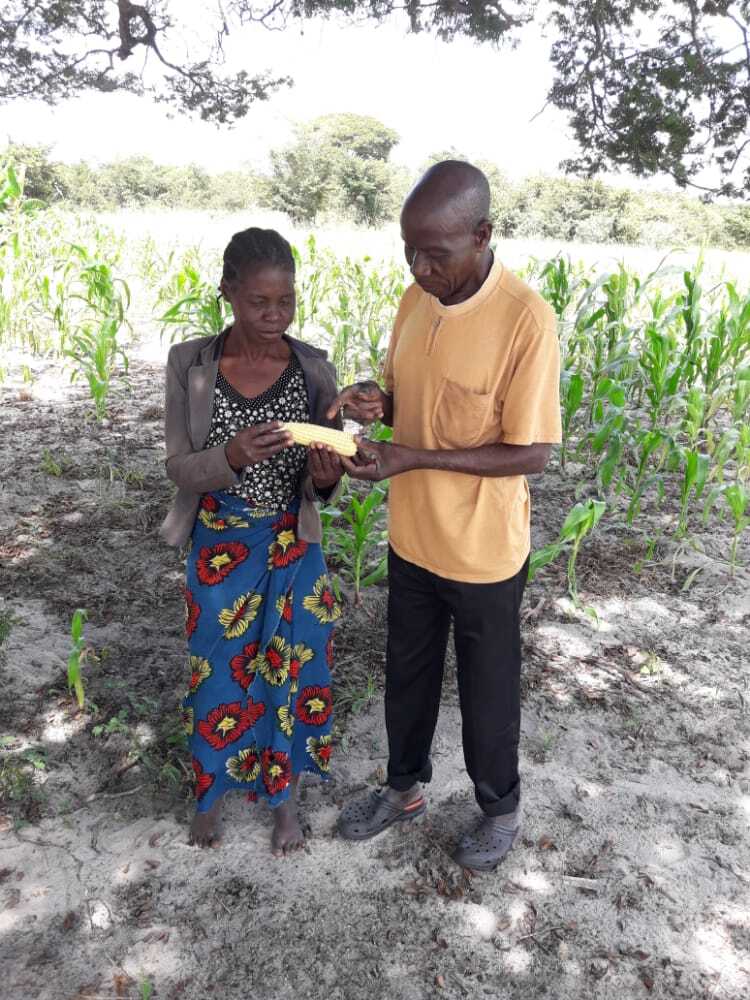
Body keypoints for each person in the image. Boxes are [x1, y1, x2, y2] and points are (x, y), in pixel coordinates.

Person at [332, 161, 562, 871]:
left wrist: (413, 460)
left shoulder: (525, 320)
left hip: (485, 553)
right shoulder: (415, 301)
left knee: (488, 691)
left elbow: (531, 453)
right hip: (414, 538)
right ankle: (403, 789)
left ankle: (499, 806)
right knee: (407, 674)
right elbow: (415, 405)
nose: (420, 267)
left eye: (436, 252)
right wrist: (380, 405)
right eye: (410, 250)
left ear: (483, 235)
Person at [160, 227, 344, 855]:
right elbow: (179, 468)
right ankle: (209, 792)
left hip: (293, 544)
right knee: (215, 671)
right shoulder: (192, 365)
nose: (274, 316)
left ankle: (283, 800)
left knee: (290, 670)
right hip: (220, 545)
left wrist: (326, 478)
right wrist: (231, 456)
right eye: (259, 302)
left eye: (286, 301)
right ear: (227, 292)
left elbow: (326, 474)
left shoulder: (314, 367)